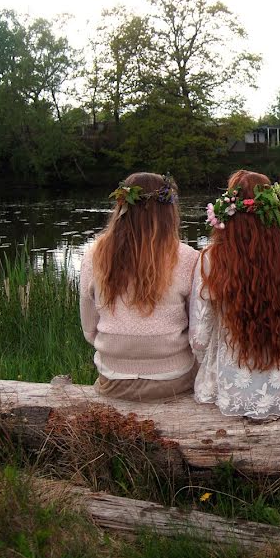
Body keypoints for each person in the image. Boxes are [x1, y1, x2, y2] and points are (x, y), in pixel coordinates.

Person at [190, 170, 280, 418]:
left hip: (231, 387)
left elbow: (199, 338)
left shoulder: (211, 259)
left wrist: (206, 365)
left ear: (227, 209)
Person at [79, 172, 200, 402]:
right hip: (173, 379)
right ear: (168, 213)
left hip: (114, 380)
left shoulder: (93, 256)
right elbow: (197, 331)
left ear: (121, 208)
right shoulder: (188, 258)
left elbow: (89, 329)